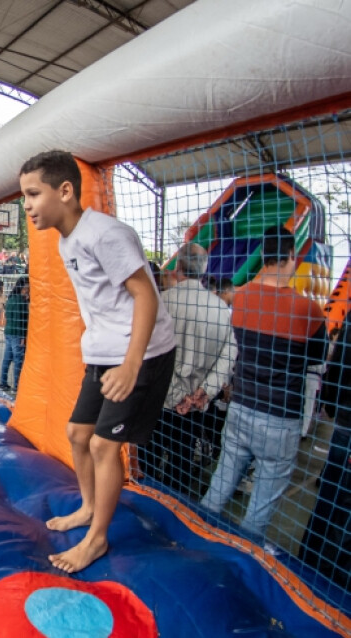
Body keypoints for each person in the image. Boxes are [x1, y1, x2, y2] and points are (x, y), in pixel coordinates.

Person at [19, 150, 177, 573]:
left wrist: (131, 365)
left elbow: (145, 296)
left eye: (33, 194)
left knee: (104, 445)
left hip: (141, 352)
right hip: (106, 351)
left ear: (64, 191)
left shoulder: (106, 234)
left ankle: (97, 539)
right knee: (77, 433)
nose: (27, 205)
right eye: (24, 196)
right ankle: (89, 507)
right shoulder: (66, 240)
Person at [199, 225, 328, 539]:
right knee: (259, 511)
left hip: (241, 406)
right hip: (280, 417)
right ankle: (244, 556)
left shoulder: (240, 297)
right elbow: (316, 359)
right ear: (290, 255)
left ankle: (195, 539)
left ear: (263, 255)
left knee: (217, 490)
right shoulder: (308, 310)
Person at [145, 243, 236, 497]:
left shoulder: (162, 303)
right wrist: (205, 391)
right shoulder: (221, 310)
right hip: (194, 406)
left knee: (148, 463)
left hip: (159, 402)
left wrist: (177, 395)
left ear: (178, 266)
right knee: (180, 466)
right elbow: (229, 355)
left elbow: (149, 353)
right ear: (204, 270)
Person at [299, 322, 351, 585]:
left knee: (331, 496)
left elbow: (339, 362)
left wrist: (332, 402)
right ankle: (328, 575)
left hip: (345, 418)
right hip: (346, 422)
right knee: (339, 503)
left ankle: (310, 560)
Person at [0, 276, 29, 392]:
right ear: (24, 288)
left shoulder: (11, 299)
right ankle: (17, 386)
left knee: (7, 359)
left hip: (8, 332)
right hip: (17, 334)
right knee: (18, 360)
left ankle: (3, 383)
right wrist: (23, 336)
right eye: (27, 288)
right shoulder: (21, 301)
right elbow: (21, 320)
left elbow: (8, 316)